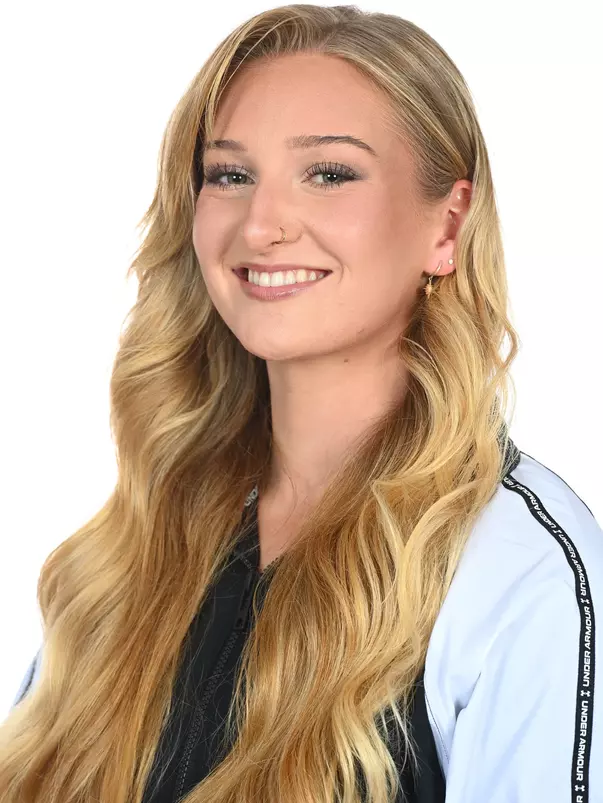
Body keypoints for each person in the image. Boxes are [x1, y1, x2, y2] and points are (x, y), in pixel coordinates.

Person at [2, 5, 601, 803]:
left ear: (446, 224)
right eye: (229, 174)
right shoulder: (140, 542)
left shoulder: (519, 571)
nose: (261, 223)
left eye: (328, 173)